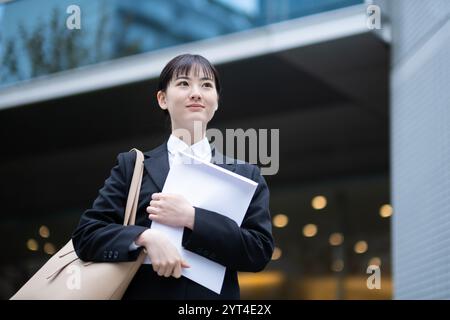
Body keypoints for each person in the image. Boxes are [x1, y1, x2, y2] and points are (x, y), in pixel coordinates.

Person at [72, 54, 274, 299]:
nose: (196, 93)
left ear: (216, 102)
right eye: (183, 83)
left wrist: (192, 218)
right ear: (162, 99)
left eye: (206, 85)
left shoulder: (245, 175)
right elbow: (87, 235)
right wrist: (144, 237)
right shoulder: (134, 166)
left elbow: (259, 251)